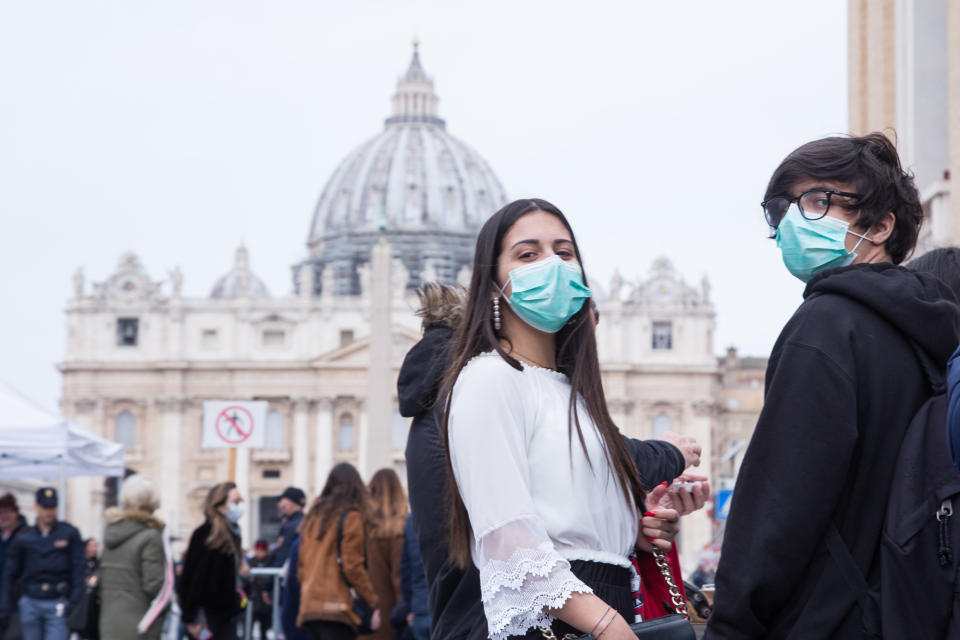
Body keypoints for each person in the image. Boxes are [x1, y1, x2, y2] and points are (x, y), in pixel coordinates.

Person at [704, 133, 960, 639]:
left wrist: (730, 625)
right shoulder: (935, 334)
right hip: (917, 610)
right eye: (785, 209)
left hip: (830, 620)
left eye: (820, 201)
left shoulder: (825, 327)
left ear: (882, 226)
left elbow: (777, 511)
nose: (795, 220)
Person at [401, 279, 707, 639]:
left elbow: (549, 496)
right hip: (499, 618)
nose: (584, 349)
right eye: (580, 334)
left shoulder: (476, 386)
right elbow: (513, 526)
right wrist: (670, 452)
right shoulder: (488, 383)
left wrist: (630, 521)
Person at [441, 198, 687, 640]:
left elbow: (566, 514)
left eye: (565, 252)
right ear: (493, 283)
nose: (552, 264)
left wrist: (633, 531)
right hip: (565, 618)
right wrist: (607, 625)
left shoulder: (570, 392)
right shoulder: (489, 378)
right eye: (528, 254)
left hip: (599, 608)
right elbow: (508, 538)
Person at [297, 462, 380, 640]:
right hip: (336, 607)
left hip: (310, 606)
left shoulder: (313, 517)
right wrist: (373, 601)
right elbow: (352, 566)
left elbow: (302, 566)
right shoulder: (351, 517)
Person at [0, 488, 84, 640]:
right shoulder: (24, 537)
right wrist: (5, 606)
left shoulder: (69, 533)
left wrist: (75, 600)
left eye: (52, 507)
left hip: (58, 599)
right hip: (31, 600)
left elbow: (78, 568)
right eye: (45, 507)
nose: (49, 512)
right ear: (36, 507)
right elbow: (10, 573)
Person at [99, 475, 173, 640]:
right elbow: (154, 585)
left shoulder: (111, 532)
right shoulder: (150, 536)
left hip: (110, 622)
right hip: (141, 624)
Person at [178, 482, 249, 640]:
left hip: (227, 614)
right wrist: (193, 617)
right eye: (235, 501)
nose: (240, 505)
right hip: (207, 616)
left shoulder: (233, 534)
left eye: (240, 500)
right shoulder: (204, 535)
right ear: (220, 506)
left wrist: (244, 574)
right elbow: (193, 580)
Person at [359, 470, 406, 640]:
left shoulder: (358, 527)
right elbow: (399, 577)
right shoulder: (398, 531)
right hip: (387, 616)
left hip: (361, 615)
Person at [0, 493, 27, 640]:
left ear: (15, 513)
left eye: (7, 512)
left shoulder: (25, 537)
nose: (3, 516)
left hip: (17, 604)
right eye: (0, 512)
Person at [398, 514, 428, 640]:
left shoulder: (411, 520)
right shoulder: (451, 511)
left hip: (420, 608)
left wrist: (410, 607)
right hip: (448, 608)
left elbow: (405, 569)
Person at [247, 540, 274, 640]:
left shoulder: (270, 561)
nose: (258, 553)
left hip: (265, 603)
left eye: (261, 550)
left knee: (265, 629)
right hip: (252, 599)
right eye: (257, 550)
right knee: (249, 627)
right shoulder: (251, 561)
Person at [274, 487, 306, 567]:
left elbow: (283, 557)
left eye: (282, 501)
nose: (279, 505)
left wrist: (268, 579)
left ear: (291, 503)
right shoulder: (305, 522)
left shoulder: (291, 526)